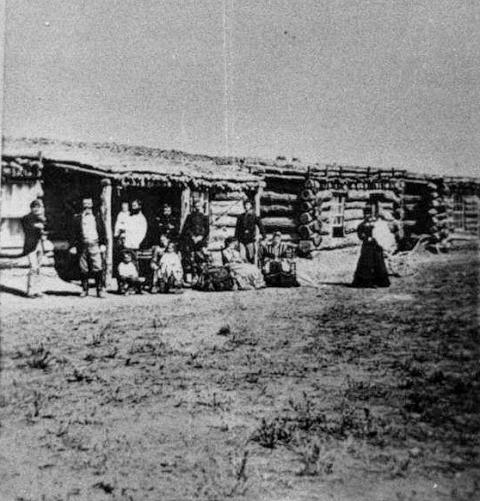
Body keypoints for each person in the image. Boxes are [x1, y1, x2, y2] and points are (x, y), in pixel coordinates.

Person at [69, 197, 107, 298]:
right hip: (82, 245)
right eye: (85, 204)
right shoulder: (77, 218)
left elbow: (102, 231)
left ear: (92, 205)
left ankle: (100, 289)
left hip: (94, 244)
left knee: (98, 267)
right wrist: (72, 246)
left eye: (89, 204)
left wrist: (103, 244)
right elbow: (73, 233)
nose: (87, 207)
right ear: (82, 205)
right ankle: (85, 289)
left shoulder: (97, 217)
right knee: (83, 268)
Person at [351, 211, 390, 288]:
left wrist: (380, 239)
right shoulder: (361, 225)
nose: (368, 216)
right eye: (366, 214)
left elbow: (381, 233)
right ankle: (366, 282)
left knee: (379, 262)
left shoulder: (375, 225)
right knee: (367, 263)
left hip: (376, 246)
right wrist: (365, 238)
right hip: (367, 247)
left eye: (369, 214)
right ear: (364, 216)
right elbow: (360, 235)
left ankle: (380, 281)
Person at [21, 199, 47, 298]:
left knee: (38, 268)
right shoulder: (26, 218)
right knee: (33, 267)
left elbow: (46, 227)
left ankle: (38, 290)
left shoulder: (40, 218)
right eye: (34, 207)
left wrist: (42, 224)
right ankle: (30, 291)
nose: (36, 209)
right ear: (31, 208)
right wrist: (37, 226)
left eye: (38, 207)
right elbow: (28, 228)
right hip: (30, 246)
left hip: (40, 244)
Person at [180, 199, 210, 283]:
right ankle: (192, 276)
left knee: (200, 259)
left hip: (201, 242)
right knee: (190, 259)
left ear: (201, 206)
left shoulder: (205, 217)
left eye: (199, 206)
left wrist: (201, 237)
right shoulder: (190, 216)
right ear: (193, 207)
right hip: (191, 241)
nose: (197, 207)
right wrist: (192, 236)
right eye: (196, 206)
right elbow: (186, 228)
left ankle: (200, 277)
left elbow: (207, 230)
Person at [234, 199, 266, 263]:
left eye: (248, 205)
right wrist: (236, 239)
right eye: (245, 205)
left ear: (251, 206)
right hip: (242, 240)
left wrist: (263, 236)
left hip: (250, 239)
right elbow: (237, 229)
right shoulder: (240, 217)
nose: (246, 206)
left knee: (251, 256)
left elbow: (261, 226)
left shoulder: (254, 216)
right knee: (242, 256)